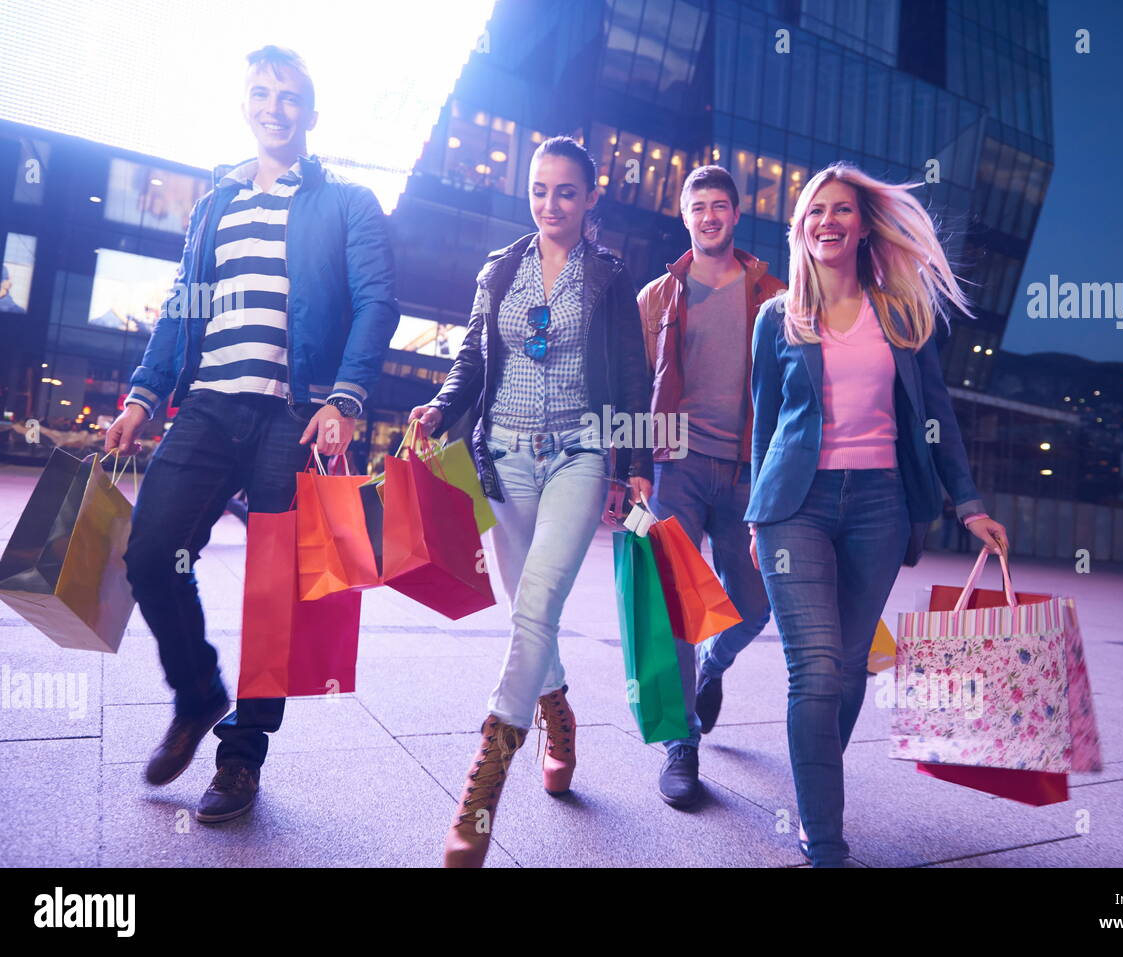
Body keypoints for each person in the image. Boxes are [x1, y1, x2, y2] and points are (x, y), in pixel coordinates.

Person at [103, 45, 398, 823]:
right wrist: (144, 394)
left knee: (276, 596)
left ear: (310, 111)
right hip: (205, 407)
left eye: (290, 96)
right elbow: (183, 305)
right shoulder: (216, 200)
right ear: (245, 104)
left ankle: (240, 759)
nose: (275, 107)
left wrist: (345, 396)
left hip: (292, 418)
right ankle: (199, 692)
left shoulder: (347, 202)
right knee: (149, 552)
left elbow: (376, 303)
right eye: (262, 94)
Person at [747, 161, 1010, 867]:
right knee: (818, 667)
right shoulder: (778, 315)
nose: (826, 221)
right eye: (814, 211)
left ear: (863, 225)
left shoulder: (901, 312)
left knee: (855, 666)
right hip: (793, 507)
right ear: (799, 227)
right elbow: (764, 423)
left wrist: (971, 503)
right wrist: (754, 515)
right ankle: (824, 838)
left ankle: (812, 782)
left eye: (841, 210)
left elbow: (937, 418)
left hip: (879, 505)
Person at [409, 135, 652, 868]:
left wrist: (632, 463)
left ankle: (482, 789)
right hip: (502, 459)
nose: (552, 204)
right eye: (541, 190)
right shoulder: (501, 268)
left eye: (567, 192)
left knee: (538, 604)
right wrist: (440, 410)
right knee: (525, 613)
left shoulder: (609, 278)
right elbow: (473, 360)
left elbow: (632, 379)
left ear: (591, 199)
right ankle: (558, 711)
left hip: (578, 454)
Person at [636, 165, 784, 808]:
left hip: (750, 470)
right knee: (673, 602)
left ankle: (712, 670)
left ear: (736, 214)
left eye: (720, 205)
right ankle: (681, 743)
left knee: (756, 603)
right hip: (678, 464)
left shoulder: (774, 295)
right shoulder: (656, 297)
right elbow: (635, 389)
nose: (710, 216)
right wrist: (634, 466)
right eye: (699, 206)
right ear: (684, 214)